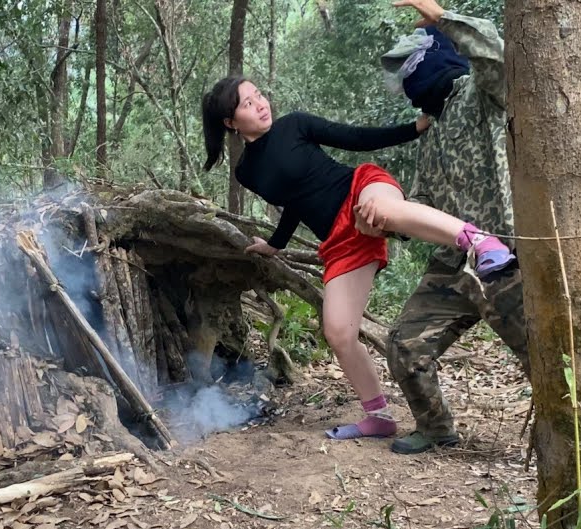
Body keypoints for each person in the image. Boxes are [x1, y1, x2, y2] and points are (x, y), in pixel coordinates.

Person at [200, 75, 515, 441]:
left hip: (360, 188)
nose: (260, 103)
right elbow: (294, 202)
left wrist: (415, 128)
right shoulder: (246, 172)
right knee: (338, 332)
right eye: (247, 103)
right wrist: (276, 244)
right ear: (230, 122)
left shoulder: (294, 125)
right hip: (339, 239)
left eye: (259, 95)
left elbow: (357, 138)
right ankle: (378, 416)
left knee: (381, 209)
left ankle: (478, 241)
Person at [370, 0, 533, 454]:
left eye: (413, 69)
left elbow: (497, 58)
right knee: (405, 343)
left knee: (545, 359)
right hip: (453, 261)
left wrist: (441, 16)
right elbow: (423, 201)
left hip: (509, 258)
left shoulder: (482, 94)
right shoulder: (435, 126)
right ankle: (436, 427)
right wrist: (390, 215)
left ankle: (573, 449)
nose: (408, 83)